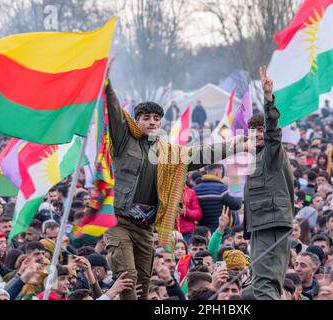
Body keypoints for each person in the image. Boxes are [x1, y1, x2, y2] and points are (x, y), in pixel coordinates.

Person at [104, 78, 245, 300]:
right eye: (146, 118)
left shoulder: (170, 153)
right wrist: (106, 81)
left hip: (144, 227)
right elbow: (113, 112)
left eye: (156, 119)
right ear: (136, 120)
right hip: (118, 221)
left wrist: (239, 145)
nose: (152, 122)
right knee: (128, 278)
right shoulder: (123, 141)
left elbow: (203, 153)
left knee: (143, 281)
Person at [242, 66, 294, 300]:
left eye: (261, 130)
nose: (258, 134)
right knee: (254, 290)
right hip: (260, 227)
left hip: (270, 225)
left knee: (264, 285)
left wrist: (268, 99)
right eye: (253, 130)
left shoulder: (272, 153)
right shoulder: (255, 159)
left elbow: (273, 131)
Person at [193, 164, 241, 233]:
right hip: (220, 231)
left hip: (203, 233)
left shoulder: (195, 190)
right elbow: (237, 205)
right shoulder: (222, 189)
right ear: (217, 173)